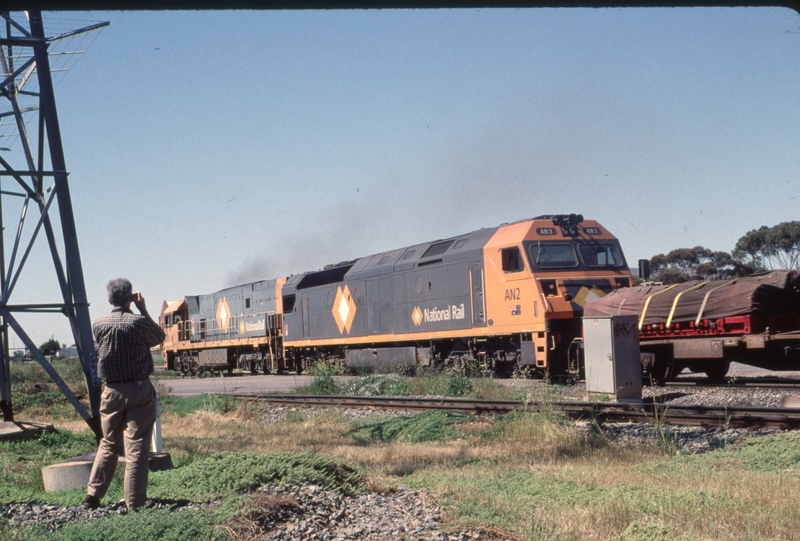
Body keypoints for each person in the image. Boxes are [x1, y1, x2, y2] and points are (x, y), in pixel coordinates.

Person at [83, 278, 166, 511]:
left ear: (109, 299)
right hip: (139, 389)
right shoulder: (138, 323)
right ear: (130, 297)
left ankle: (92, 496)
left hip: (111, 390)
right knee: (136, 445)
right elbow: (159, 338)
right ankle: (135, 502)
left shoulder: (99, 323)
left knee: (108, 443)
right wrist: (142, 309)